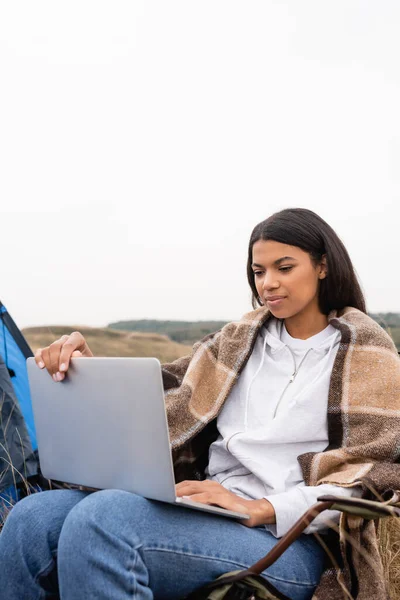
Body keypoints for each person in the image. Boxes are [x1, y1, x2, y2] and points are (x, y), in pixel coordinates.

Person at [0, 208, 399, 600]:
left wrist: (263, 507)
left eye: (284, 267)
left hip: (292, 542)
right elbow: (169, 390)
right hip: (208, 510)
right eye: (259, 272)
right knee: (31, 520)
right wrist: (90, 369)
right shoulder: (240, 341)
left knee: (103, 520)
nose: (268, 284)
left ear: (323, 266)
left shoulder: (365, 353)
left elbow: (374, 479)